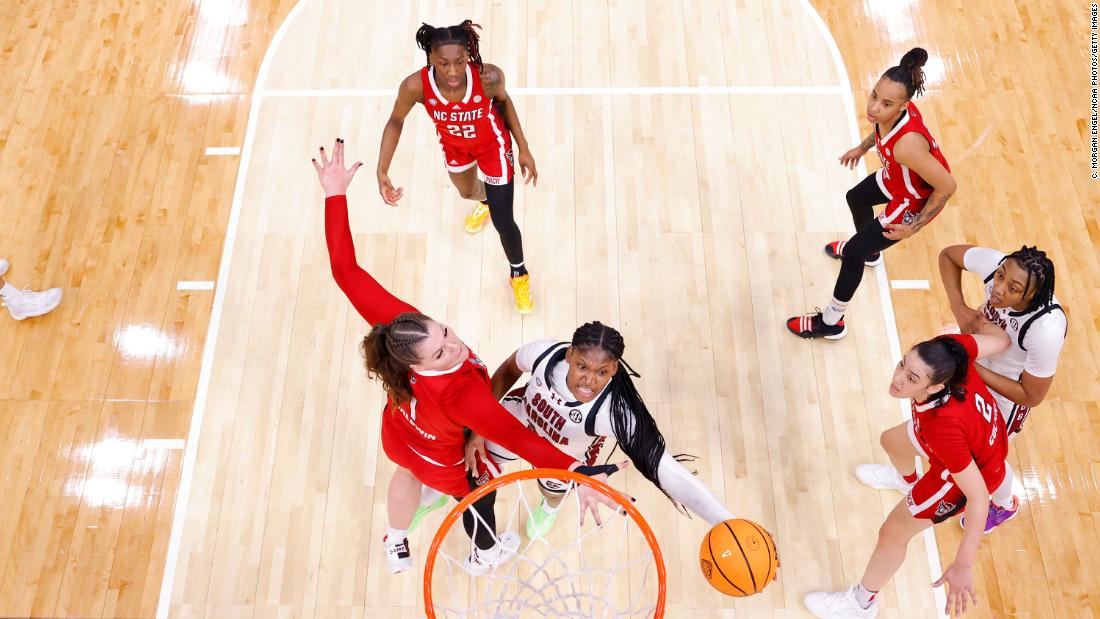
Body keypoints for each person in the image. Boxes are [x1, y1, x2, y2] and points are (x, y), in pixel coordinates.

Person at [314, 139, 623, 576]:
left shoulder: (401, 336)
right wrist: (579, 472)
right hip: (445, 463)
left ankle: (396, 538)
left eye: (445, 332)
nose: (454, 345)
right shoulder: (460, 395)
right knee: (481, 493)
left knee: (405, 474)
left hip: (399, 436)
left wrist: (333, 194)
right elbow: (521, 440)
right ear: (419, 365)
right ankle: (485, 555)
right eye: (441, 351)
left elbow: (346, 272)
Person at [805, 329, 1012, 618]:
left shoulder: (943, 428)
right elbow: (1002, 340)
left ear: (936, 387)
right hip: (978, 438)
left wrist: (964, 564)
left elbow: (978, 497)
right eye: (903, 364)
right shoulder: (949, 350)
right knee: (890, 441)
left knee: (892, 532)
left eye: (912, 379)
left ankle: (861, 603)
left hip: (959, 479)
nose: (898, 378)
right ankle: (909, 483)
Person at [462, 321, 735, 538]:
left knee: (552, 492)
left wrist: (725, 521)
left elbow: (664, 467)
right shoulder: (545, 354)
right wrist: (478, 424)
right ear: (570, 355)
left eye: (601, 372)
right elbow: (511, 367)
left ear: (614, 369)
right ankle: (432, 489)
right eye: (582, 366)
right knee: (468, 460)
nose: (589, 380)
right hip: (519, 420)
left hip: (565, 457)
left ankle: (549, 509)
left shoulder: (613, 412)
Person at [788, 48, 956, 339]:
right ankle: (872, 250)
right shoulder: (892, 111)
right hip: (895, 177)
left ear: (903, 107)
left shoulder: (908, 146)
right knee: (855, 198)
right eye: (874, 95)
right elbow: (879, 128)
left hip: (910, 200)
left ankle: (832, 322)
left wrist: (913, 228)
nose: (875, 107)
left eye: (886, 103)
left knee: (853, 252)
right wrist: (862, 148)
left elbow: (947, 186)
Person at [376, 20, 538, 313]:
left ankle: (519, 273)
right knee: (467, 193)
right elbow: (395, 120)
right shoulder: (416, 86)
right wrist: (382, 169)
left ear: (469, 55)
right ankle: (486, 201)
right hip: (456, 148)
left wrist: (523, 147)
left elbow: (504, 102)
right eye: (443, 63)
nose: (452, 71)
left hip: (494, 149)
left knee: (504, 221)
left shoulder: (488, 78)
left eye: (459, 62)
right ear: (431, 59)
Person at [935, 244, 1065, 533]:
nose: (998, 289)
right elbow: (947, 256)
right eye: (1001, 276)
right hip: (975, 365)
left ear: (1031, 296)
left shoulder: (1046, 330)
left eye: (1013, 288)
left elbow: (1032, 395)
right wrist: (959, 308)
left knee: (986, 455)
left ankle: (1005, 504)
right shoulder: (998, 265)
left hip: (1007, 396)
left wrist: (970, 365)